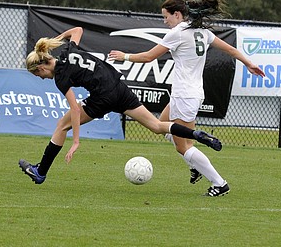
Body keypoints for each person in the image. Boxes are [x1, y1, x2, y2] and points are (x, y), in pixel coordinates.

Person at [18, 26, 223, 187]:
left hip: (101, 98)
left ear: (41, 66)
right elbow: (77, 30)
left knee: (62, 125)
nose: (42, 78)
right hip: (119, 88)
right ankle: (195, 135)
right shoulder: (70, 49)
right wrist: (52, 43)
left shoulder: (61, 78)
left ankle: (40, 172)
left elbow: (73, 110)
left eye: (38, 74)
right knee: (156, 125)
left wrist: (76, 142)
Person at [108, 0, 266, 197]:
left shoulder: (178, 33)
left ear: (177, 14)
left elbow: (149, 57)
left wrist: (125, 56)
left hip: (185, 96)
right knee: (161, 126)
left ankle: (219, 183)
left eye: (166, 17)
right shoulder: (202, 32)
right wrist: (249, 63)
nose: (165, 21)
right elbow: (231, 49)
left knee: (184, 147)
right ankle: (195, 165)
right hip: (187, 94)